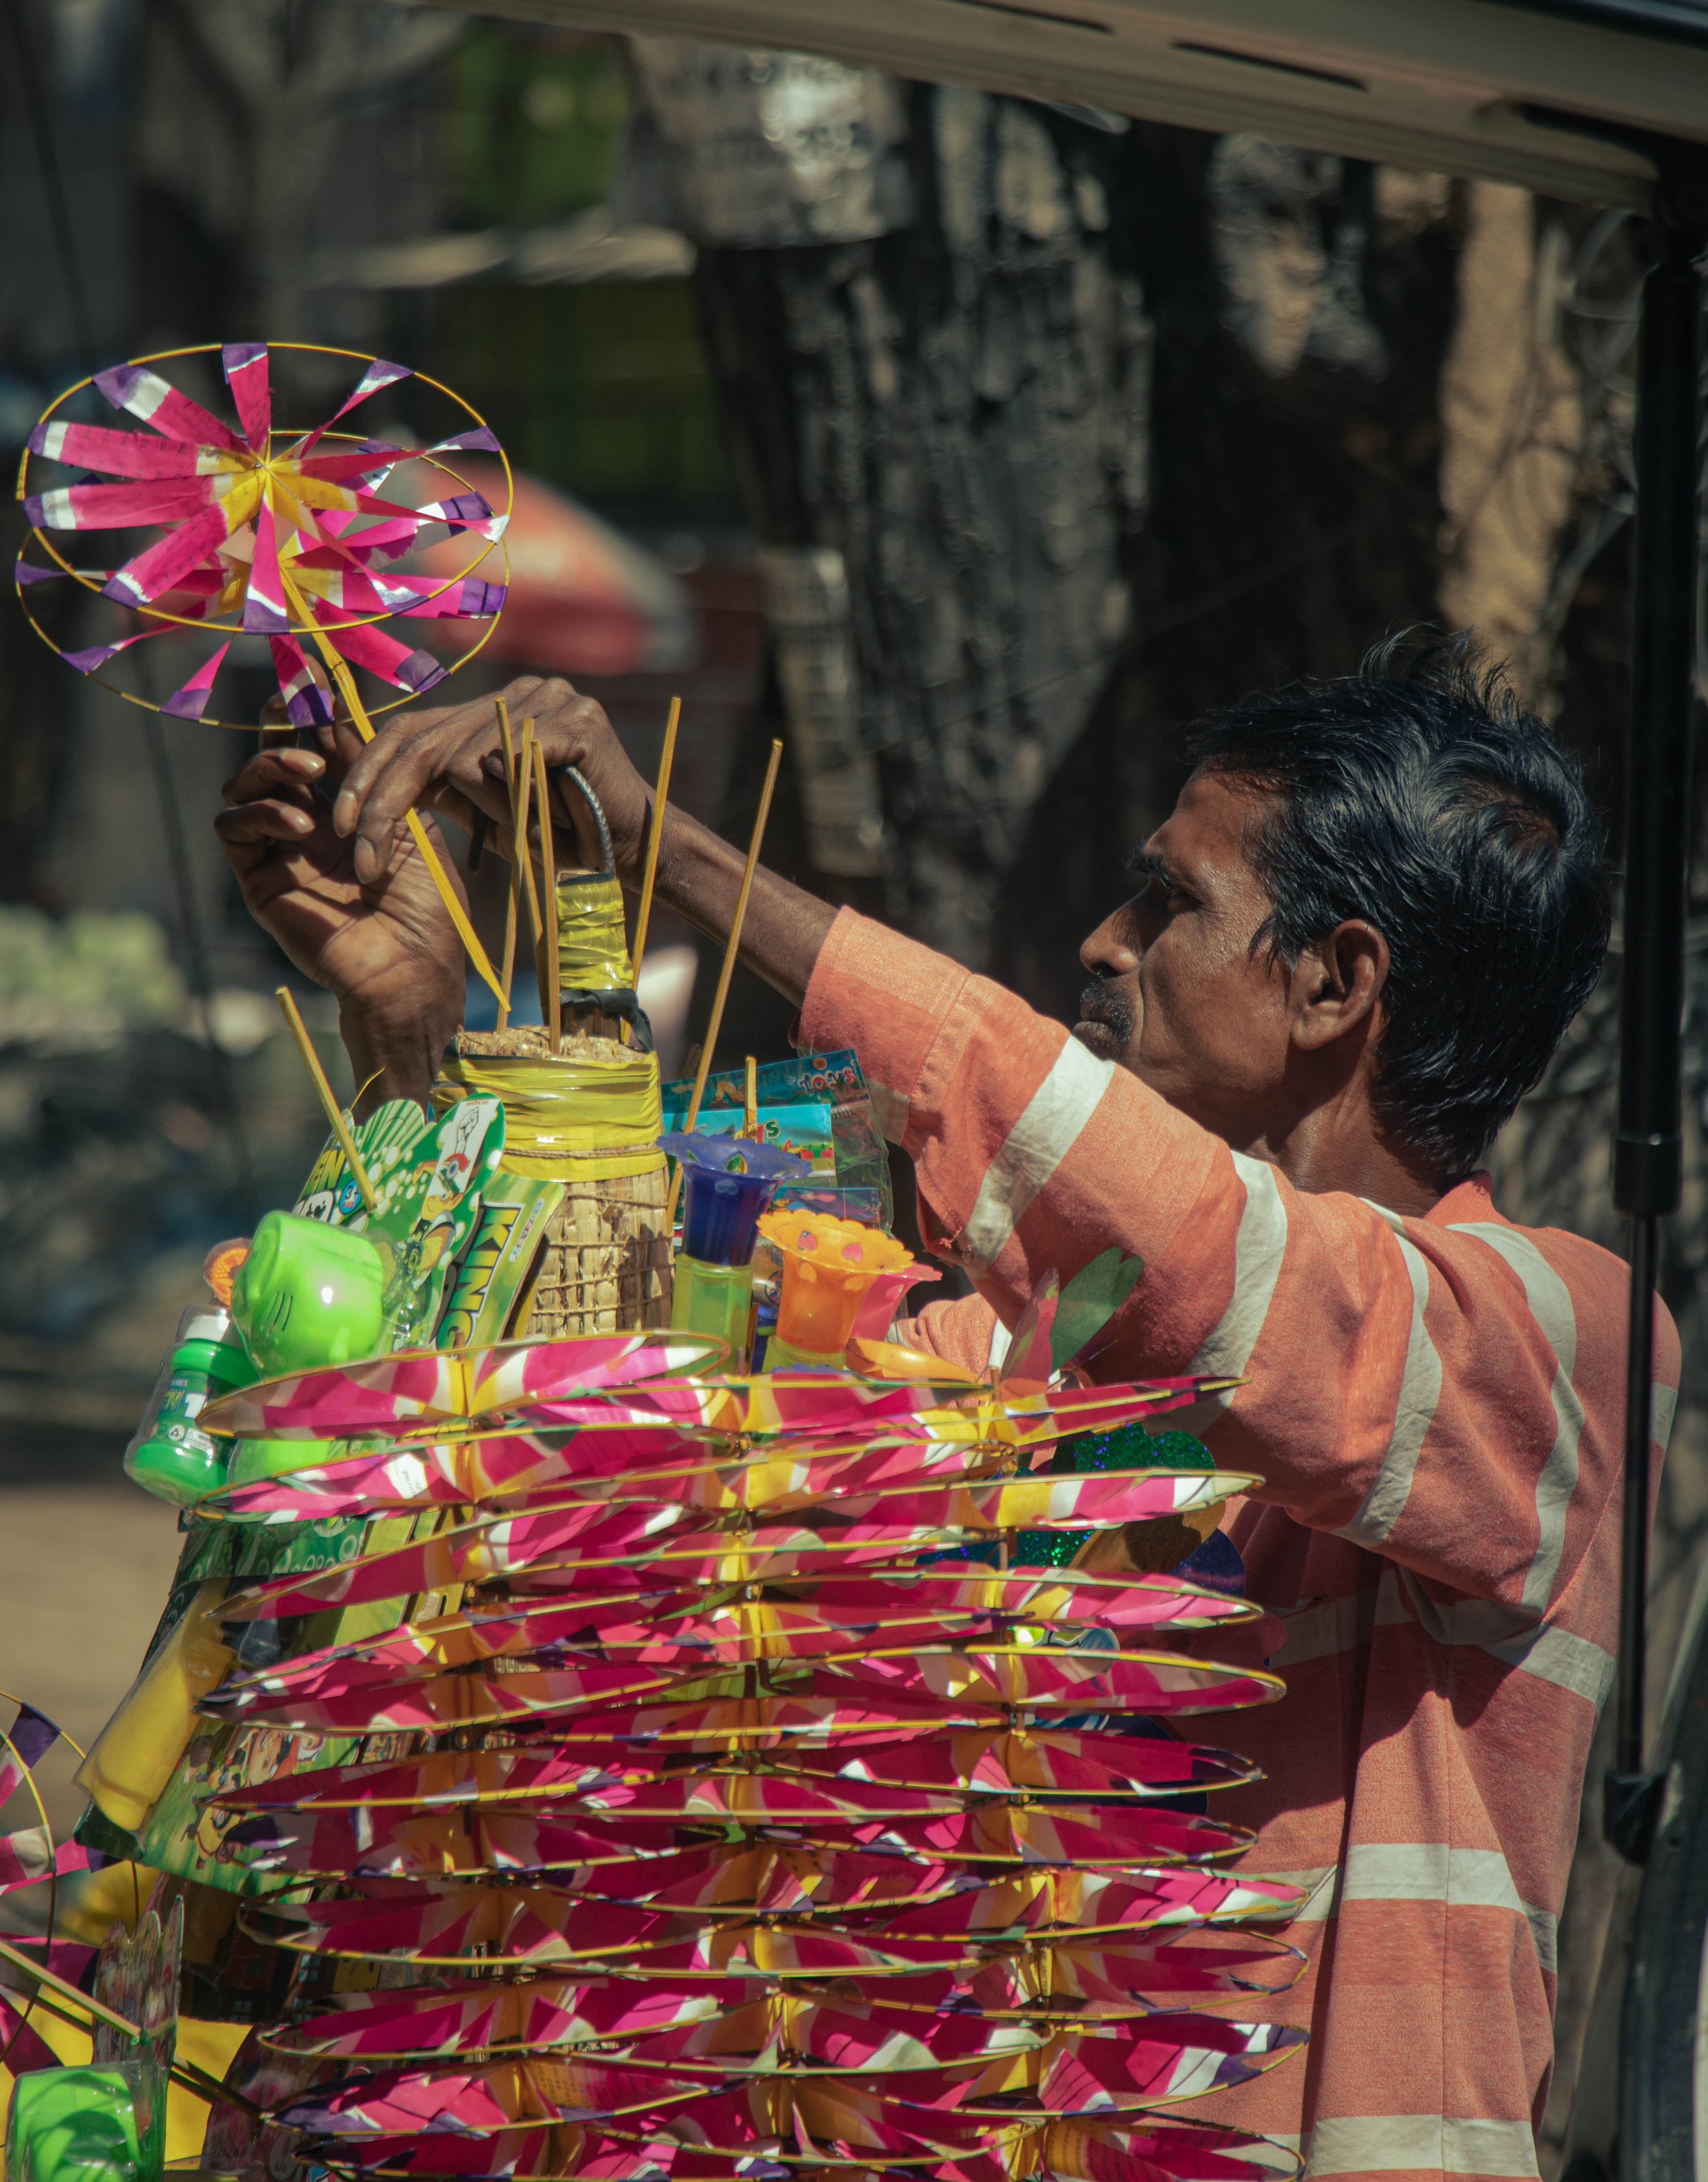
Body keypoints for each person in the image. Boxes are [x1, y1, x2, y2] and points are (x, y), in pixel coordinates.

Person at [215, 637, 1676, 2182]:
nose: (1105, 942)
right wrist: (416, 1036)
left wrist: (671, 852)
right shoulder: (1021, 1363)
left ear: (1336, 981)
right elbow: (601, 1460)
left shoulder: (1554, 1336)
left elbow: (1209, 1256)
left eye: (1171, 900)